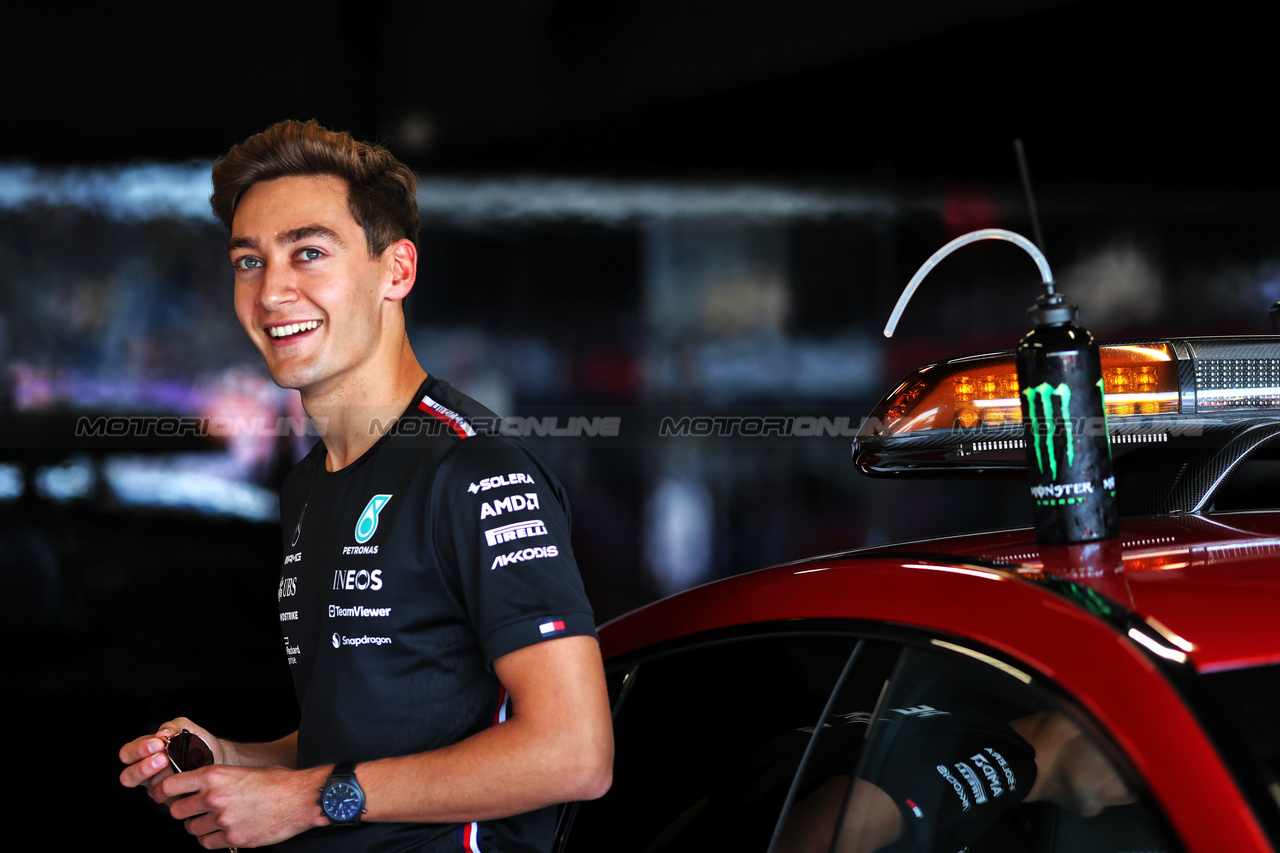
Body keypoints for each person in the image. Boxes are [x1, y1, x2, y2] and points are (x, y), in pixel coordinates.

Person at [118, 119, 613, 852]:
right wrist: (237, 761)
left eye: (308, 253)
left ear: (397, 271)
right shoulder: (308, 487)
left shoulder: (474, 469)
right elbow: (364, 737)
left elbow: (574, 752)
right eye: (248, 261)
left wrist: (302, 798)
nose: (272, 290)